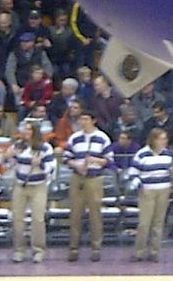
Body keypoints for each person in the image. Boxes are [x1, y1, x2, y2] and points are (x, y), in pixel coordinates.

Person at [63, 110, 113, 262]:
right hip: (78, 178)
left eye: (86, 119)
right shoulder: (75, 137)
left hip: (94, 178)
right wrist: (76, 165)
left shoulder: (102, 138)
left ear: (93, 120)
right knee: (75, 214)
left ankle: (96, 248)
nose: (83, 122)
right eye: (81, 119)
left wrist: (95, 160)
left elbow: (108, 160)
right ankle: (74, 248)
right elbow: (66, 157)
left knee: (95, 214)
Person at [8, 121, 55, 263]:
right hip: (20, 185)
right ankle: (19, 250)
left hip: (38, 186)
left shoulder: (45, 147)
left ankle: (38, 250)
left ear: (36, 131)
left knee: (38, 219)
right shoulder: (18, 145)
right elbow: (9, 165)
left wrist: (39, 164)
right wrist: (9, 156)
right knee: (17, 219)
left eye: (29, 129)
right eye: (25, 129)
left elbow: (51, 167)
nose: (26, 132)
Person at [129, 128, 173, 262]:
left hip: (164, 190)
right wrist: (141, 187)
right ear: (154, 140)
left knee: (158, 223)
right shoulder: (142, 154)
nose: (164, 141)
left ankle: (154, 252)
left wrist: (172, 172)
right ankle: (139, 252)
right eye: (162, 139)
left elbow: (170, 172)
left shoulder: (167, 154)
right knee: (144, 223)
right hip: (147, 191)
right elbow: (133, 174)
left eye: (165, 139)